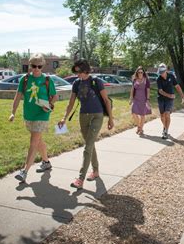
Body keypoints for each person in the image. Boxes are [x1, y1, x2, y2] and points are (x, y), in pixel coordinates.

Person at [57, 59, 114, 189]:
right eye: (76, 72)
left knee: (87, 147)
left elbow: (106, 101)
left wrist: (111, 119)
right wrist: (64, 118)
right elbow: (71, 103)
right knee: (90, 144)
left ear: (86, 70)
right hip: (83, 116)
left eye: (80, 72)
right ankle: (96, 171)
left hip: (97, 116)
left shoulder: (96, 82)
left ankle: (80, 178)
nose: (78, 75)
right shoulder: (76, 83)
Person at [9, 53, 58, 183]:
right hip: (28, 114)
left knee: (33, 142)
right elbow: (18, 96)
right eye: (33, 66)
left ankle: (24, 171)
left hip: (42, 114)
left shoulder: (47, 80)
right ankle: (46, 162)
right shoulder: (24, 79)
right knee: (38, 140)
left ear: (43, 66)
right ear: (30, 65)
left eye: (39, 66)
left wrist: (49, 105)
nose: (36, 68)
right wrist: (12, 112)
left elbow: (55, 96)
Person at [156, 63, 184, 139]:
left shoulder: (171, 76)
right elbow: (160, 91)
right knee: (162, 116)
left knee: (167, 114)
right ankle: (165, 127)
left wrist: (182, 96)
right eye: (160, 72)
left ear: (166, 70)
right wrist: (169, 95)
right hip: (161, 99)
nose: (161, 74)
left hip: (169, 100)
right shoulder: (159, 79)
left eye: (162, 71)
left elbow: (177, 86)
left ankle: (166, 131)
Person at [129, 66, 151, 135]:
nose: (140, 73)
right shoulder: (135, 80)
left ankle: (141, 129)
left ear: (143, 72)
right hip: (136, 99)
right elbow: (132, 89)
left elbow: (148, 90)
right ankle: (139, 126)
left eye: (141, 72)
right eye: (139, 72)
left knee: (142, 115)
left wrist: (147, 99)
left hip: (143, 99)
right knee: (133, 112)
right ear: (137, 73)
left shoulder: (146, 80)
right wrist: (131, 98)